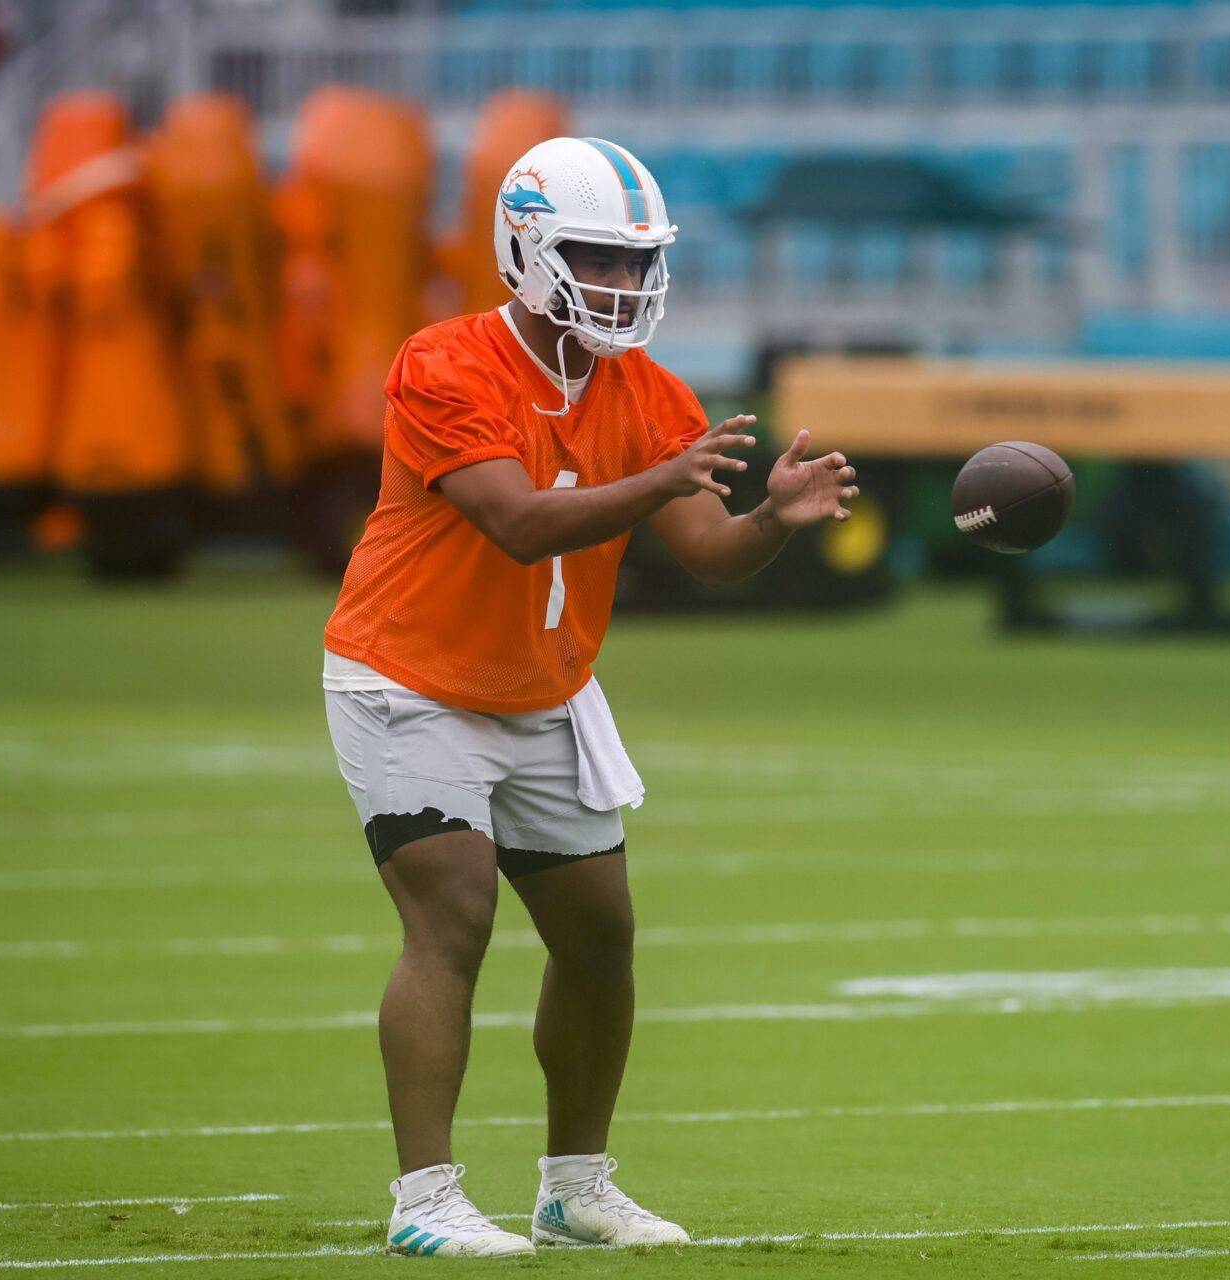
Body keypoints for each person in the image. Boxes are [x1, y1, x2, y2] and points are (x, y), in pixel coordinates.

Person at [321, 136, 858, 1259]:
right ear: (526, 246)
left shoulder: (648, 390)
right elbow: (516, 523)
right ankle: (424, 1195)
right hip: (409, 677)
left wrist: (772, 519)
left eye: (633, 260)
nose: (619, 283)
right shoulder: (444, 363)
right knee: (452, 915)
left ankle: (574, 1188)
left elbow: (706, 550)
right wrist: (656, 477)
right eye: (595, 257)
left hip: (545, 689)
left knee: (602, 938)